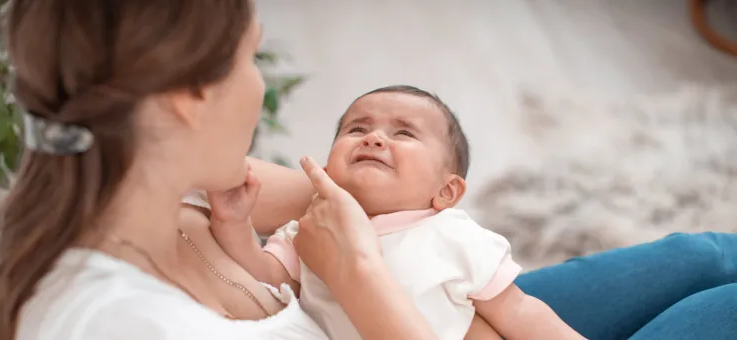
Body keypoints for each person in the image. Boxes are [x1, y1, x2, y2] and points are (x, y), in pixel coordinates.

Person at [0, 1, 441, 339]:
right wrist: (360, 273)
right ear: (191, 97)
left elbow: (392, 198)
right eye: (251, 58)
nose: (259, 86)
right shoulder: (128, 322)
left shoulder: (175, 188)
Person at [209, 85, 583, 340]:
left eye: (403, 134)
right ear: (326, 166)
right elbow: (269, 279)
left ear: (446, 191)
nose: (374, 138)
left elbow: (519, 313)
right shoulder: (305, 229)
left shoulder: (454, 235)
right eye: (357, 128)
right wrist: (235, 224)